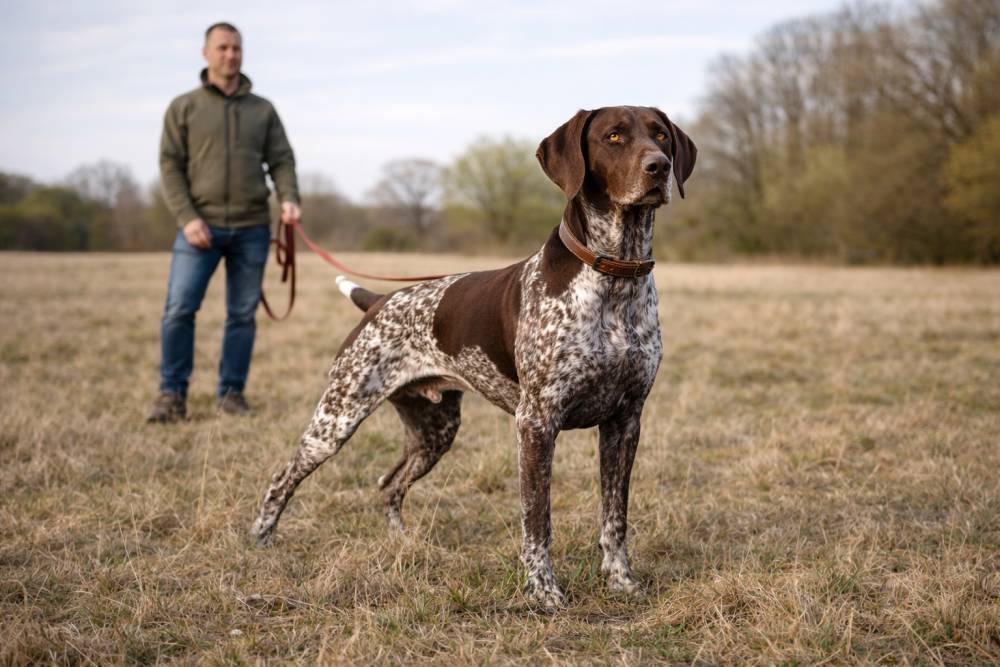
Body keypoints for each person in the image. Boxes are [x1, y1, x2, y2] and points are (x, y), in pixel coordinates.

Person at [147, 22, 301, 422]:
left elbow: (281, 160)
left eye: (236, 48)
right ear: (205, 53)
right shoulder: (184, 107)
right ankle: (171, 396)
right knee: (179, 310)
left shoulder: (262, 109)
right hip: (199, 227)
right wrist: (187, 218)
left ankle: (231, 395)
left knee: (242, 315)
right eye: (222, 47)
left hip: (252, 228)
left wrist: (289, 198)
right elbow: (170, 167)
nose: (230, 54)